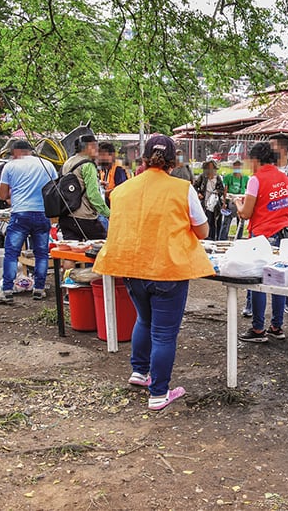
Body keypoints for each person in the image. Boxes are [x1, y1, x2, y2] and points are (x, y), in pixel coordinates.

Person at [93, 134, 213, 410]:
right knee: (164, 333)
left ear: (144, 159)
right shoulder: (183, 189)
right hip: (168, 270)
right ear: (173, 162)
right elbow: (203, 231)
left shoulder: (121, 190)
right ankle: (159, 393)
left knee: (144, 320)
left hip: (133, 267)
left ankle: (139, 371)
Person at [235, 142, 288, 343]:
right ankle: (277, 326)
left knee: (258, 280)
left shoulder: (255, 179)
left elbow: (246, 213)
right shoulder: (283, 177)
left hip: (262, 235)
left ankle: (258, 329)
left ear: (256, 160)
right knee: (279, 279)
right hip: (284, 234)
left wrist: (238, 202)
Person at [0, 140, 58, 303]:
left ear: (16, 152)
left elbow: (2, 195)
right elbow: (55, 190)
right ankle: (39, 289)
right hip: (43, 214)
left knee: (11, 254)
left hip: (20, 214)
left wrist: (14, 195)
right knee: (41, 253)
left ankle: (7, 291)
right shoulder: (47, 165)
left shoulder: (10, 166)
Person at [59, 134, 110, 241]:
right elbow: (93, 195)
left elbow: (74, 183)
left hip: (66, 216)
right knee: (101, 248)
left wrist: (98, 183)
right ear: (89, 147)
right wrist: (108, 213)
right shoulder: (88, 165)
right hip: (85, 218)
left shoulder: (69, 162)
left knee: (71, 252)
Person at [193, 159, 226, 241]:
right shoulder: (202, 177)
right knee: (206, 220)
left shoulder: (217, 178)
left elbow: (222, 190)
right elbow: (194, 186)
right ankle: (206, 238)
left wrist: (216, 193)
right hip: (205, 203)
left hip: (214, 204)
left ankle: (214, 238)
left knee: (214, 222)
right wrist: (198, 193)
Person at [222, 159, 249, 240]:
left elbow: (248, 190)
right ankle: (223, 238)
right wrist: (224, 203)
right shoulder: (228, 177)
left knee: (241, 222)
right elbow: (225, 190)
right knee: (226, 222)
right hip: (230, 201)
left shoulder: (245, 178)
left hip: (241, 202)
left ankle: (239, 239)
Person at [96, 141, 128, 206]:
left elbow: (121, 190)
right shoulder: (103, 170)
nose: (99, 158)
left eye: (102, 155)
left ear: (111, 155)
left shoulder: (119, 169)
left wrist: (103, 193)